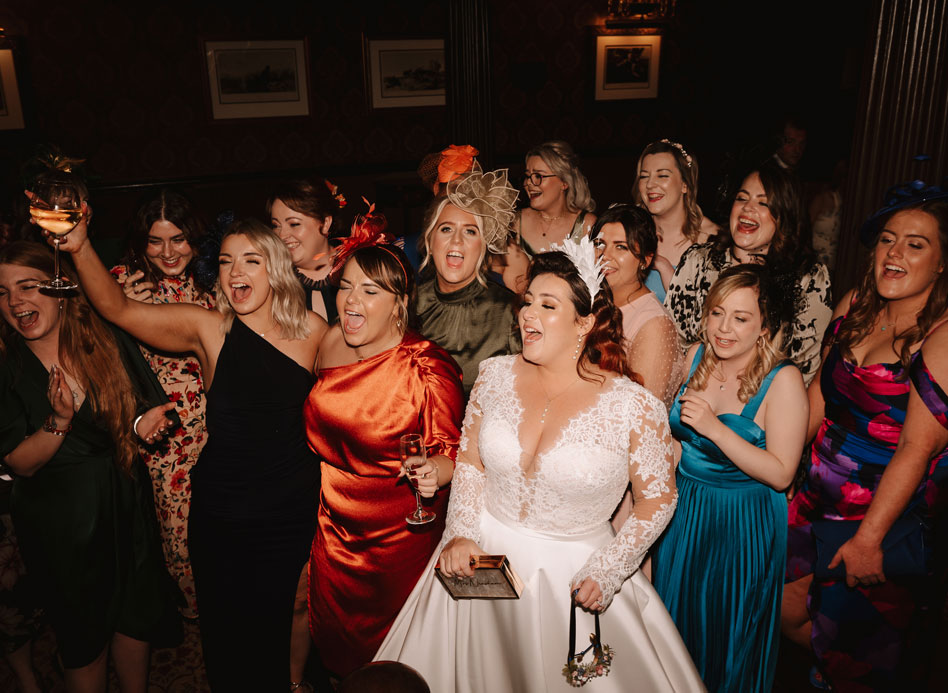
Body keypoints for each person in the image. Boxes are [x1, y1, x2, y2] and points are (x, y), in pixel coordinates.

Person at [376, 241, 704, 692]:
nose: (528, 313)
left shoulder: (634, 407)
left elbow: (658, 501)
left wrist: (610, 569)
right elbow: (470, 463)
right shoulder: (494, 376)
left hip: (571, 577)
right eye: (528, 301)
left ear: (584, 322)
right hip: (480, 560)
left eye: (548, 305)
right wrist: (462, 532)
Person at [54, 215, 328, 691]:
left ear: (276, 268)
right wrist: (78, 245)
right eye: (225, 261)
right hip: (223, 510)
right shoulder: (210, 330)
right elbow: (117, 308)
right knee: (227, 627)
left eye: (250, 260)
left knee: (290, 610)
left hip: (290, 507)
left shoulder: (316, 333)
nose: (235, 271)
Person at [782, 189, 948, 691]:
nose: (894, 253)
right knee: (782, 609)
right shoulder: (856, 304)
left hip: (880, 511)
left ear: (942, 265)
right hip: (814, 491)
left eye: (915, 245)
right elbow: (817, 396)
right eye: (887, 240)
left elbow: (917, 449)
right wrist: (782, 470)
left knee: (857, 648)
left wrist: (871, 538)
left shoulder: (941, 337)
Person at [0, 241, 180, 692]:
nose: (15, 301)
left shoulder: (102, 338)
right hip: (61, 523)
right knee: (83, 636)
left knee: (133, 617)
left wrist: (142, 426)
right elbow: (19, 462)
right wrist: (58, 422)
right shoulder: (7, 365)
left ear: (61, 290)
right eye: (2, 293)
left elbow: (136, 408)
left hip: (124, 500)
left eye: (28, 286)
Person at [305, 211, 465, 678]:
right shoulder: (330, 340)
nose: (352, 301)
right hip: (333, 533)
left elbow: (452, 452)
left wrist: (434, 470)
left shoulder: (426, 367)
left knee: (399, 664)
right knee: (340, 656)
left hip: (398, 544)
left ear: (400, 303)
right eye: (346, 287)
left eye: (370, 292)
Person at [653, 264, 808, 692]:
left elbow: (781, 473)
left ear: (764, 326)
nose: (724, 328)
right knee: (674, 626)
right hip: (684, 516)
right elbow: (679, 442)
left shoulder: (783, 380)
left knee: (727, 632)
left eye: (740, 318)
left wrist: (716, 428)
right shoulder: (695, 357)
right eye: (717, 313)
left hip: (742, 524)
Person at [110, 188, 215, 618]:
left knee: (219, 525)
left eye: (178, 239)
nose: (168, 252)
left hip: (218, 427)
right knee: (179, 534)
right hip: (166, 435)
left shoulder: (212, 280)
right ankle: (199, 615)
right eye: (156, 241)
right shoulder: (125, 284)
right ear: (141, 242)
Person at [665, 161, 832, 384]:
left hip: (763, 406)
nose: (747, 208)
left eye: (763, 203)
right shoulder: (699, 261)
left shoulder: (808, 278)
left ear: (784, 216)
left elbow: (804, 366)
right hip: (691, 389)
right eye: (742, 198)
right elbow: (672, 341)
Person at [416, 162, 520, 398]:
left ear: (483, 246)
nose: (457, 241)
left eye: (470, 231)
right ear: (431, 241)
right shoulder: (406, 306)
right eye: (446, 229)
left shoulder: (508, 310)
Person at [590, 203, 684, 410]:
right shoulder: (589, 300)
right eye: (599, 243)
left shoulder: (654, 325)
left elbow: (642, 413)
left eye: (621, 246)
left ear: (645, 260)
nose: (605, 255)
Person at [499, 141, 597, 293]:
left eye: (538, 176)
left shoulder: (587, 224)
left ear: (564, 182)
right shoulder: (513, 222)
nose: (529, 184)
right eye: (527, 176)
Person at [633, 139, 718, 297]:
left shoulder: (713, 240)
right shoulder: (629, 230)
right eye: (644, 177)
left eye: (662, 175)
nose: (650, 184)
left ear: (685, 184)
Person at [268, 176, 346, 323]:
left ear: (325, 223)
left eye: (294, 224)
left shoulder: (357, 270)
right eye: (276, 225)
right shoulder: (272, 282)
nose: (282, 235)